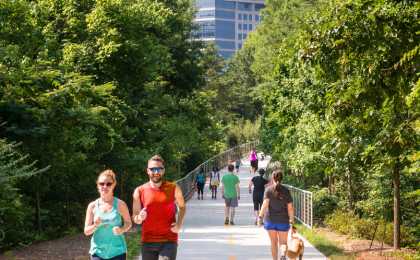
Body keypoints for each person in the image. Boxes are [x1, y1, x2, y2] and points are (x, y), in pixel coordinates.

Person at [132, 155, 186, 260]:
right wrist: (139, 218)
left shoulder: (173, 188)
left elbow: (182, 207)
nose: (156, 172)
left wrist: (179, 224)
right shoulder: (139, 191)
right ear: (148, 171)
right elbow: (135, 216)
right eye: (153, 169)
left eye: (159, 169)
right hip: (148, 240)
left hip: (169, 240)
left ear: (163, 170)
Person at [84, 170, 132, 260]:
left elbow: (128, 223)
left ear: (113, 185)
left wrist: (121, 230)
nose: (105, 186)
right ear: (98, 186)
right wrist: (95, 225)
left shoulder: (120, 204)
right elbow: (86, 231)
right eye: (102, 184)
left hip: (118, 252)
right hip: (97, 252)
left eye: (108, 184)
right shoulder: (92, 206)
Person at [258, 169, 294, 260]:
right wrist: (292, 220)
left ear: (272, 178)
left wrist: (260, 217)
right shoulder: (286, 191)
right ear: (282, 178)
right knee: (283, 242)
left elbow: (265, 205)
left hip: (270, 221)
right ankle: (282, 255)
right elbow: (290, 208)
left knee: (273, 243)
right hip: (283, 221)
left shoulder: (268, 190)